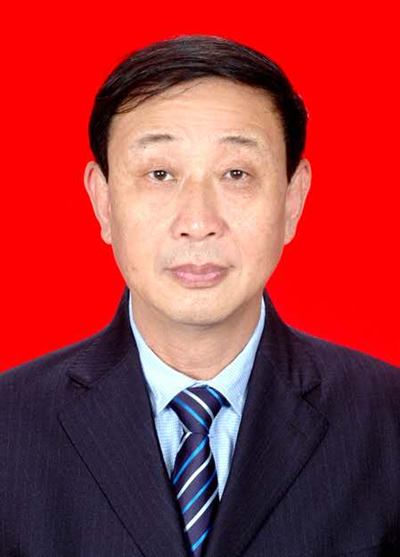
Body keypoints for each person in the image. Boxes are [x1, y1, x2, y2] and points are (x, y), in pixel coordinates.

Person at [0, 34, 399, 557]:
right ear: (103, 200)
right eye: (159, 174)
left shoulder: (387, 418)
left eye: (236, 173)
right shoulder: (10, 426)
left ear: (292, 199)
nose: (197, 222)